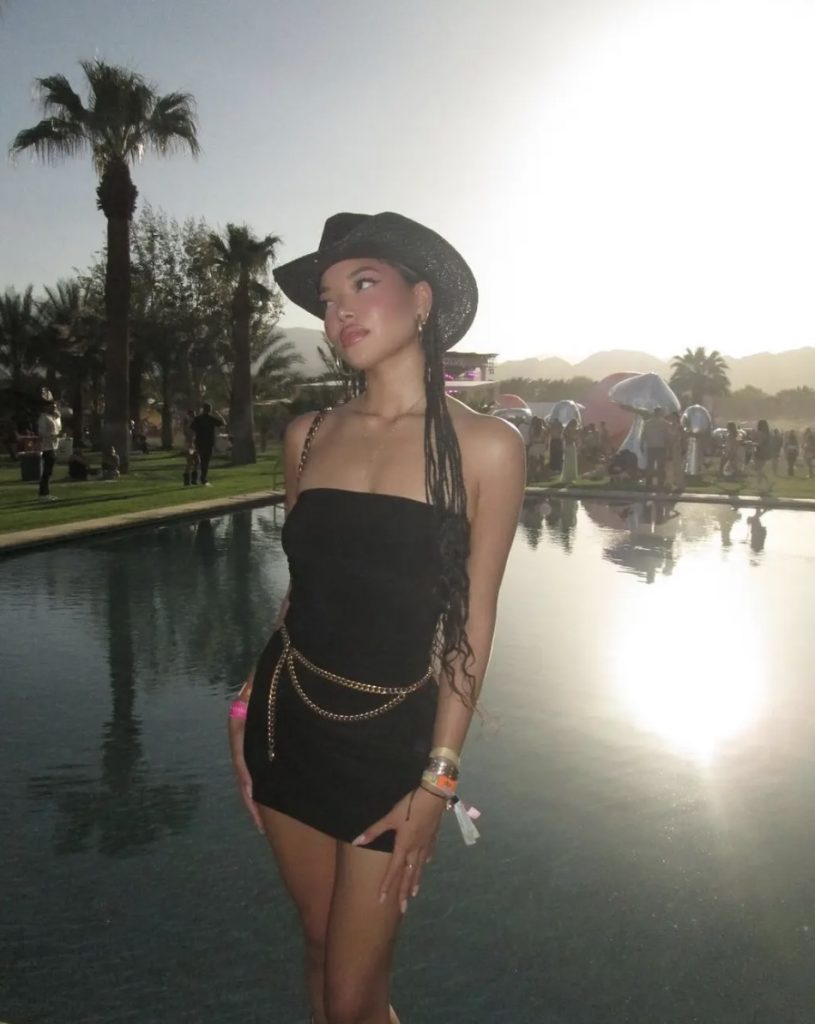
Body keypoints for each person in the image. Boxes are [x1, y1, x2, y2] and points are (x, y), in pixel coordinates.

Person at [227, 212, 525, 1024]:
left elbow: (472, 624)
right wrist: (245, 702)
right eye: (327, 299)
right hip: (287, 721)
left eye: (363, 284)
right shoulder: (308, 435)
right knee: (320, 948)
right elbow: (303, 593)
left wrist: (440, 776)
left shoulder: (486, 447)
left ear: (421, 300)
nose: (339, 312)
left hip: (392, 745)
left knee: (355, 996)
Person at [190, 402, 225, 485]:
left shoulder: (198, 418)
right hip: (208, 443)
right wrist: (219, 415)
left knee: (197, 461)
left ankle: (194, 478)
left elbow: (192, 428)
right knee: (205, 461)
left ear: (203, 409)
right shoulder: (211, 419)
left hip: (199, 442)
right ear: (210, 410)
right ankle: (203, 478)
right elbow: (223, 423)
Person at [36, 401, 62, 502]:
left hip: (54, 446)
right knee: (47, 471)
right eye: (52, 407)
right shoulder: (44, 418)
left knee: (49, 471)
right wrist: (54, 435)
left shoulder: (54, 417)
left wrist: (58, 417)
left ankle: (46, 492)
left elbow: (58, 428)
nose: (54, 408)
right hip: (47, 447)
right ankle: (43, 494)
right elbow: (42, 432)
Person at [641, 406, 671, 490]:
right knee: (660, 466)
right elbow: (667, 436)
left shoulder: (647, 423)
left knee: (650, 465)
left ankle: (649, 483)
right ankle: (660, 483)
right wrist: (668, 447)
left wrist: (641, 444)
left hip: (651, 446)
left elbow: (643, 434)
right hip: (660, 447)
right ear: (660, 413)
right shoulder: (665, 423)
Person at [753, 419, 773, 493]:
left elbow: (759, 443)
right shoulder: (767, 433)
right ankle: (764, 485)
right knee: (760, 470)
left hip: (760, 453)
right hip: (764, 453)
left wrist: (751, 443)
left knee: (759, 471)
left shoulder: (762, 433)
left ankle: (762, 485)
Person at [526, 416, 547, 481]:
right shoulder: (543, 429)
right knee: (541, 462)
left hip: (535, 446)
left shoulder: (532, 429)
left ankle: (533, 475)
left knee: (533, 463)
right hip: (541, 446)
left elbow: (531, 438)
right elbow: (544, 439)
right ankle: (541, 475)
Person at [669, 412, 685, 493]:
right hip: (670, 449)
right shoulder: (669, 426)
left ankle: (679, 485)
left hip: (677, 449)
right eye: (672, 417)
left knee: (678, 468)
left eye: (674, 417)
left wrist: (683, 448)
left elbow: (683, 438)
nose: (673, 419)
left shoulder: (680, 427)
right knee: (670, 468)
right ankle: (671, 485)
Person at [560, 419, 579, 484]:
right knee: (570, 462)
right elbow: (571, 438)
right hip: (570, 446)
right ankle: (570, 476)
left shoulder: (566, 430)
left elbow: (564, 438)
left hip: (569, 446)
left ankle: (569, 476)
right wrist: (574, 438)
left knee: (569, 462)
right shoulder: (570, 430)